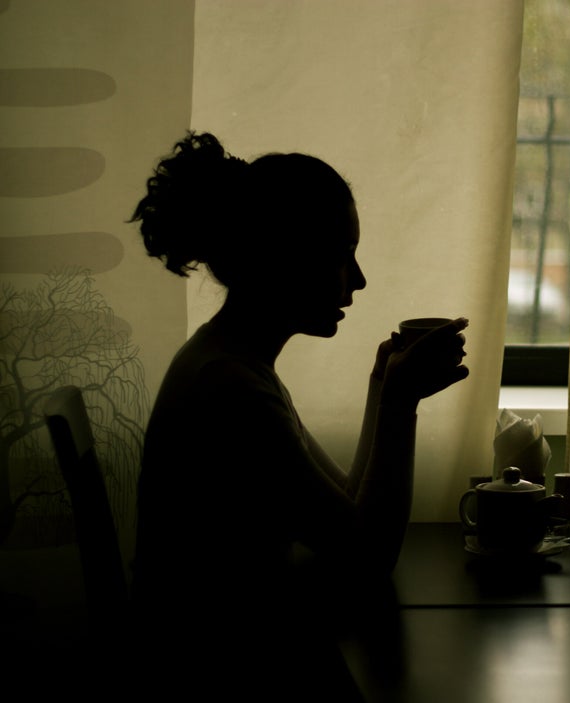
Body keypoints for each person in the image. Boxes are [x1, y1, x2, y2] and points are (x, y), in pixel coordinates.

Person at [129, 132, 468, 685]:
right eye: (341, 256)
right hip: (217, 668)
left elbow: (349, 514)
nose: (357, 280)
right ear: (281, 259)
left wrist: (383, 387)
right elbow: (368, 556)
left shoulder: (234, 363)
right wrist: (400, 404)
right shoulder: (231, 389)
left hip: (231, 644)